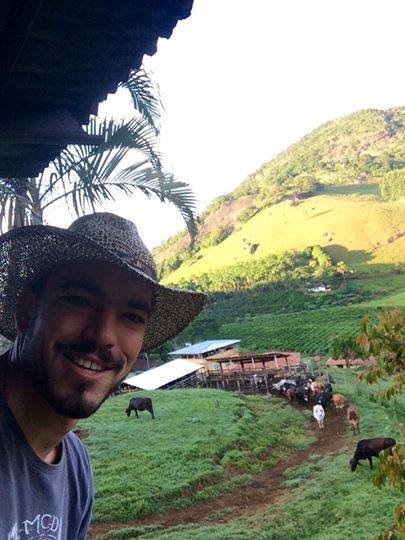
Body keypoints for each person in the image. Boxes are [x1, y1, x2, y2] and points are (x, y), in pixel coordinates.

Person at [0, 212, 206, 538]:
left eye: (132, 317)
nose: (103, 335)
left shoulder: (75, 468)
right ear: (26, 311)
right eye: (79, 300)